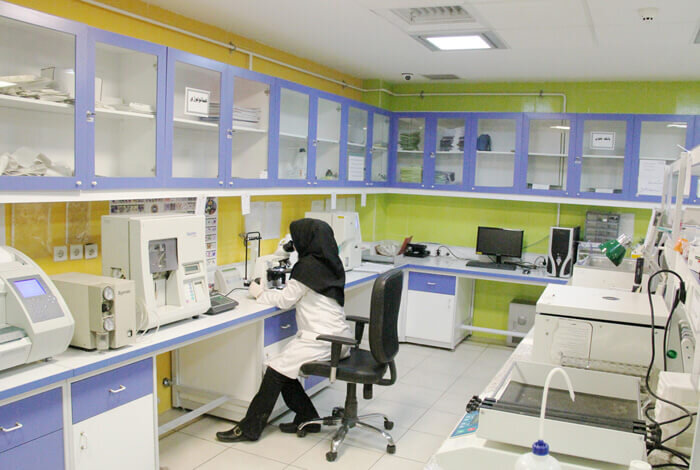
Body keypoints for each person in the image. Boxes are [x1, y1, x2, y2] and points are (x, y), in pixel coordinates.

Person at [216, 218, 352, 442]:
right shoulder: (331, 263)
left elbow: (285, 300)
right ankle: (307, 417)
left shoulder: (307, 267)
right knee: (284, 369)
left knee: (275, 370)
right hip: (340, 338)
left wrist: (260, 293)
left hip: (321, 340)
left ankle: (249, 428)